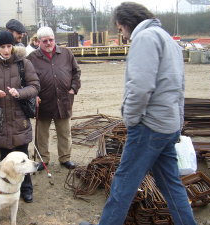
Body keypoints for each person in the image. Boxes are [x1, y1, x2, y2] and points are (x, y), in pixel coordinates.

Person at [80, 2, 197, 225]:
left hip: (148, 127)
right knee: (171, 185)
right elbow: (179, 86)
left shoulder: (144, 38)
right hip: (167, 126)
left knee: (123, 183)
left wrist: (131, 120)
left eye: (121, 29)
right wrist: (178, 122)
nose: (122, 35)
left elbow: (140, 87)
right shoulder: (167, 39)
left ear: (126, 23)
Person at [0, 31, 40, 203]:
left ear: (13, 46)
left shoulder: (24, 63)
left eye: (9, 46)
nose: (6, 50)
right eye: (2, 47)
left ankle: (26, 189)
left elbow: (35, 86)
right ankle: (7, 189)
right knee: (5, 158)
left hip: (19, 117)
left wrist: (20, 92)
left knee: (23, 156)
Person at [27, 27, 81, 170]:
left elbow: (76, 72)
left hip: (63, 100)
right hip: (42, 103)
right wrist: (33, 95)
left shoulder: (67, 54)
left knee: (64, 132)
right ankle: (42, 160)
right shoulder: (31, 58)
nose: (49, 43)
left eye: (51, 40)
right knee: (41, 135)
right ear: (38, 42)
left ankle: (65, 158)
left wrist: (73, 88)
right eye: (45, 41)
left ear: (54, 39)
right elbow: (25, 79)